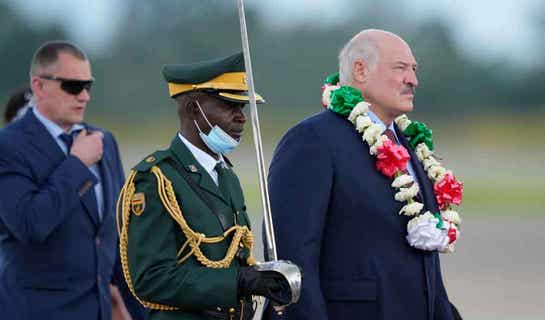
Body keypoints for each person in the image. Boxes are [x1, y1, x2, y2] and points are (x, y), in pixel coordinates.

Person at [267, 29, 464, 319]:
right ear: (360, 70)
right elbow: (293, 254)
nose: (413, 80)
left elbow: (426, 268)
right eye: (400, 68)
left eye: (414, 69)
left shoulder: (411, 145)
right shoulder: (313, 140)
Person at [118, 52, 298, 320]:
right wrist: (238, 282)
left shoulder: (226, 175)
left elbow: (233, 256)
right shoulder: (156, 179)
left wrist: (263, 276)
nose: (242, 117)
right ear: (193, 109)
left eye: (242, 107)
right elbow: (151, 279)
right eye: (230, 106)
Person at [0, 41, 145, 320]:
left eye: (87, 86)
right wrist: (77, 164)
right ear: (39, 86)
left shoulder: (103, 141)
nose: (84, 97)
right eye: (73, 86)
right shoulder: (9, 146)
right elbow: (31, 224)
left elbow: (118, 242)